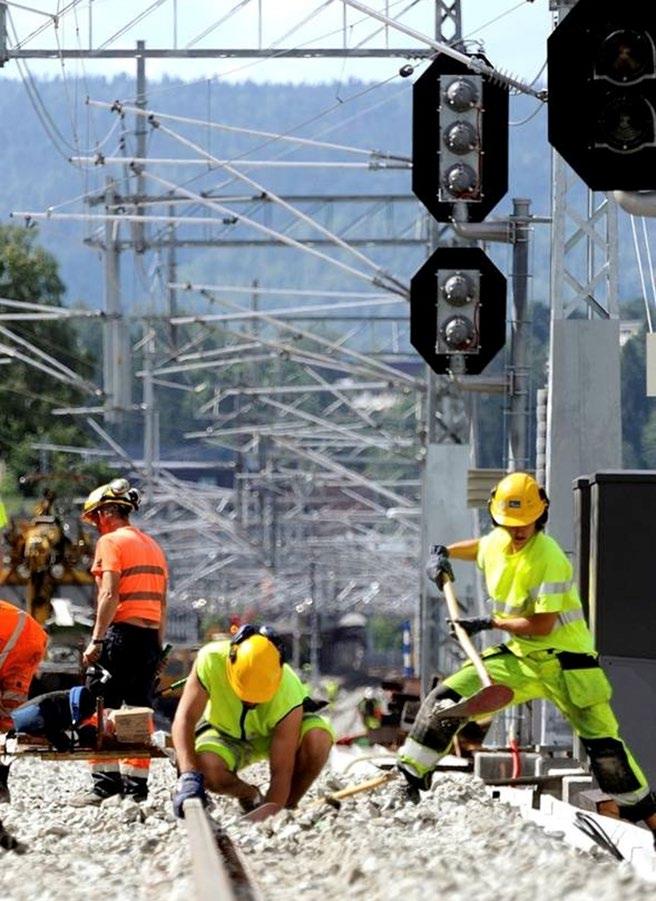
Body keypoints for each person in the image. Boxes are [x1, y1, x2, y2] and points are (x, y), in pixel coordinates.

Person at [397, 472, 656, 842]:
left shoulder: (548, 557)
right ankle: (408, 780)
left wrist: (488, 622)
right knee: (444, 700)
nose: (517, 531)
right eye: (508, 524)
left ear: (541, 515)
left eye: (523, 524)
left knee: (607, 754)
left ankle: (650, 822)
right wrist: (445, 554)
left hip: (567, 664)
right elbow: (482, 547)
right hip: (519, 659)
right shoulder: (499, 541)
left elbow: (543, 625)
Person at [171, 624, 334, 819]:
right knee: (207, 768)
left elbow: (281, 773)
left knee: (318, 739)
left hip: (271, 735)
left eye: (258, 697)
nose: (250, 702)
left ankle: (287, 809)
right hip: (225, 733)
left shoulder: (288, 692)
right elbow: (184, 719)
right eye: (245, 694)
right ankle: (249, 795)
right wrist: (189, 776)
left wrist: (268, 819)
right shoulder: (211, 661)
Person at [74, 478, 168, 805]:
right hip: (147, 638)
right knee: (139, 710)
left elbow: (110, 594)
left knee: (97, 703)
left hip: (121, 635)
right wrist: (158, 648)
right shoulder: (153, 546)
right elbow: (161, 603)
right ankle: (136, 789)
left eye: (98, 516)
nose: (97, 524)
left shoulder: (112, 542)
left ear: (109, 512)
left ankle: (104, 785)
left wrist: (97, 639)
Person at [0, 599, 48, 801]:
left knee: (6, 720)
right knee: (8, 718)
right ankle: (1, 783)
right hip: (31, 638)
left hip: (18, 642)